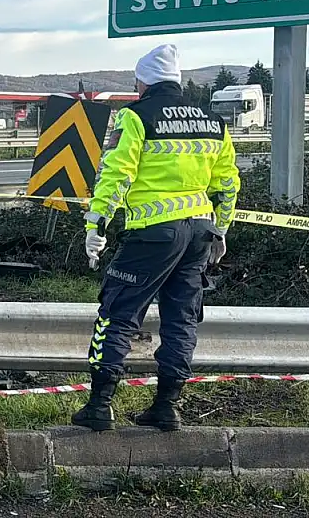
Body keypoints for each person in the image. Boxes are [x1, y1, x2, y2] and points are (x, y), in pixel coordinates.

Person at [72, 44, 239, 433]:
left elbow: (116, 174)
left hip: (154, 233)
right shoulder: (213, 121)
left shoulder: (136, 116)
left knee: (117, 314)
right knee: (182, 319)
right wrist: (222, 228)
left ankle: (99, 406)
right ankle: (166, 407)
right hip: (200, 232)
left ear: (143, 82)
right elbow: (228, 182)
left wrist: (96, 225)